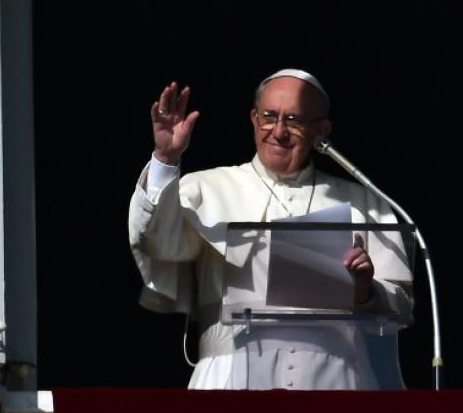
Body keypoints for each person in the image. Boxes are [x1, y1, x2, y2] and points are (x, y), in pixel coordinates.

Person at [128, 69, 413, 390]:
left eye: (294, 120)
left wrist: (365, 291)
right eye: (268, 116)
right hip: (229, 376)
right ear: (252, 118)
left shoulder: (363, 201)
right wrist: (166, 159)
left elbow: (401, 304)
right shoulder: (205, 187)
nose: (278, 131)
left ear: (322, 130)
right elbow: (158, 243)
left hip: (337, 381)